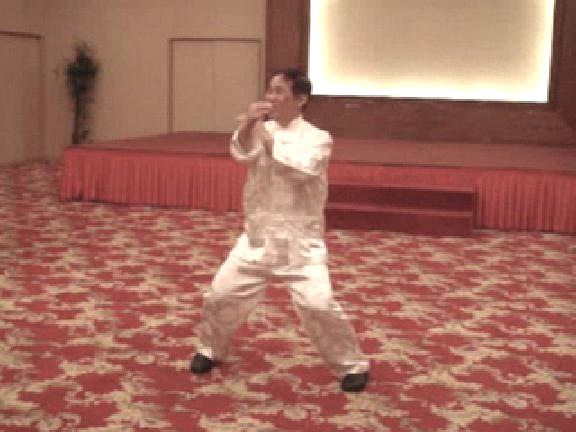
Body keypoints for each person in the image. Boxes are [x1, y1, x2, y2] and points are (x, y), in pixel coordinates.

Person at [190, 68, 369, 392]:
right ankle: (210, 348)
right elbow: (241, 153)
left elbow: (302, 170)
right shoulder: (262, 129)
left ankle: (352, 365)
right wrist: (248, 124)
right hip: (258, 236)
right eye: (269, 90)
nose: (271, 97)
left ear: (300, 99)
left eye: (279, 92)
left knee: (318, 305)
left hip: (300, 241)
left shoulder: (318, 138)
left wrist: (267, 139)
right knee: (220, 294)